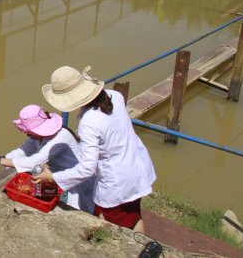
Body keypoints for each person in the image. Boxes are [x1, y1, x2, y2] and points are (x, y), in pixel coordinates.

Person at [34, 66, 156, 233]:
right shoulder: (115, 96)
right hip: (137, 168)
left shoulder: (88, 122)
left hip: (118, 181)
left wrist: (53, 177)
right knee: (133, 217)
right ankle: (142, 249)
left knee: (108, 223)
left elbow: (87, 168)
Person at [0, 104, 95, 214]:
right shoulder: (36, 136)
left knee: (75, 211)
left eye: (29, 132)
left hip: (75, 179)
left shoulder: (61, 136)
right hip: (55, 176)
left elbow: (34, 161)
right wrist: (3, 158)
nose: (27, 135)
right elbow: (23, 151)